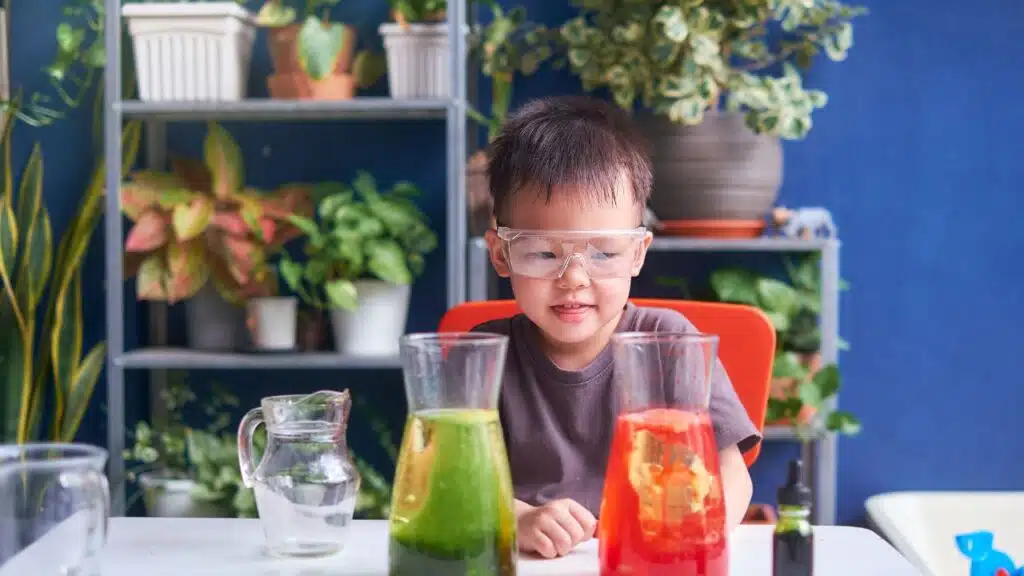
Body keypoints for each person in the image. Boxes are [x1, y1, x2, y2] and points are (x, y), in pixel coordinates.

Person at [471, 95, 760, 559]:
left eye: (603, 253)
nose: (574, 279)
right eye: (544, 253)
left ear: (639, 253)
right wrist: (517, 517)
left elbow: (731, 475)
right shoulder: (483, 353)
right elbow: (452, 486)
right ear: (501, 254)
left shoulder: (670, 344)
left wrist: (686, 534)